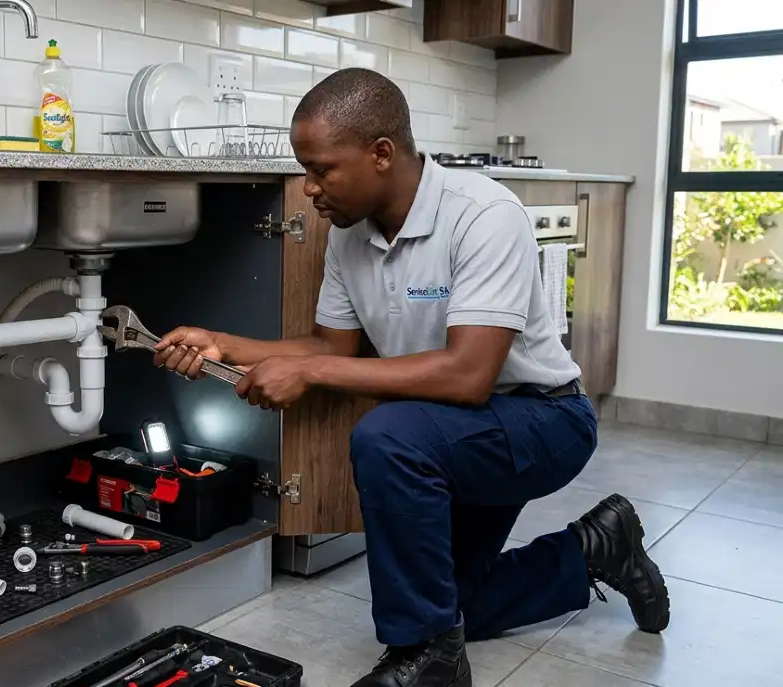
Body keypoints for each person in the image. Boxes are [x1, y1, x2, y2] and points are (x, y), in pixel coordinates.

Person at [153, 68, 670, 687]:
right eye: (305, 170)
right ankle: (596, 547)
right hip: (455, 430)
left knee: (388, 434)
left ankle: (426, 658)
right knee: (460, 602)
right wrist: (226, 345)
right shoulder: (351, 236)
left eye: (322, 170)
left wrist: (311, 370)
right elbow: (325, 346)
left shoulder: (482, 214)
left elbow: (469, 375)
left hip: (544, 419)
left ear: (380, 154)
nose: (310, 188)